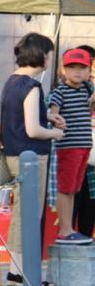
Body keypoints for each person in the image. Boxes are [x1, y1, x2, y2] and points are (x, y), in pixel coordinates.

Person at [0, 32, 65, 286]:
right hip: (32, 156)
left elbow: (18, 117)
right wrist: (56, 133)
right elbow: (33, 130)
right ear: (41, 55)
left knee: (20, 215)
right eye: (48, 53)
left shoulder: (13, 81)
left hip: (14, 155)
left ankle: (18, 271)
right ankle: (22, 272)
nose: (50, 58)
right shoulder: (32, 86)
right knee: (29, 215)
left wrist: (48, 116)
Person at [46, 46, 95, 244]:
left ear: (89, 70)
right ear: (63, 70)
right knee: (65, 188)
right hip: (68, 146)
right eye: (72, 67)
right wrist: (55, 120)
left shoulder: (87, 89)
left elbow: (89, 108)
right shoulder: (60, 91)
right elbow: (52, 114)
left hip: (84, 146)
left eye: (82, 67)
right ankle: (65, 229)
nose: (77, 72)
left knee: (73, 188)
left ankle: (70, 229)